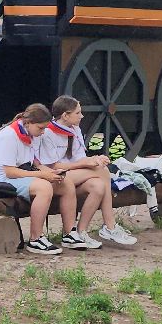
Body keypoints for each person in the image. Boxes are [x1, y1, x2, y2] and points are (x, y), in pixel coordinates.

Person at [37, 96, 136, 245]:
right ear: (65, 115)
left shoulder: (75, 129)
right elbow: (54, 166)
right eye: (77, 113)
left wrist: (93, 160)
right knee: (102, 172)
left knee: (98, 185)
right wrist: (89, 163)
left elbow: (79, 158)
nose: (82, 116)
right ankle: (110, 225)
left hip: (73, 176)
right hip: (55, 177)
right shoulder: (48, 133)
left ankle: (80, 232)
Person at [0, 103, 80, 254]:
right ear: (28, 123)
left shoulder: (31, 134)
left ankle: (69, 234)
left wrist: (53, 173)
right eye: (41, 128)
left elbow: (35, 162)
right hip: (1, 181)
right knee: (44, 187)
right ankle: (35, 239)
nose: (43, 132)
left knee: (66, 183)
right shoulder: (8, 136)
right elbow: (10, 172)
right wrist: (43, 175)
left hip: (20, 175)